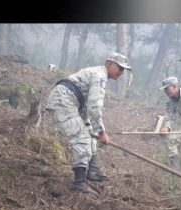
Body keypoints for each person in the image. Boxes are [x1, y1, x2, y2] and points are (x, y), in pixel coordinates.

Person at [45, 52, 132, 196]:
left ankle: (91, 169)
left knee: (89, 133)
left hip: (72, 101)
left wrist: (94, 129)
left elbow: (86, 104)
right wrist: (102, 132)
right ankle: (79, 183)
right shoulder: (100, 76)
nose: (121, 72)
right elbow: (94, 106)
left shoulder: (98, 73)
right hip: (64, 101)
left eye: (124, 70)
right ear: (109, 64)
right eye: (120, 68)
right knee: (82, 138)